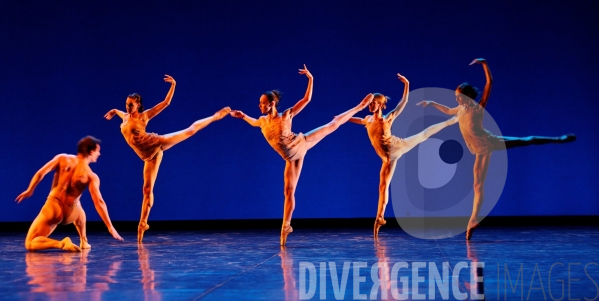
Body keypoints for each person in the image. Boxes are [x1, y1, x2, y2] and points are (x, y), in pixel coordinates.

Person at [418, 58, 576, 240]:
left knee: (481, 182)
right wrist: (431, 103)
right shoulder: (460, 109)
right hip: (481, 146)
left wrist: (484, 64)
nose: (457, 99)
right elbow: (447, 111)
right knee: (481, 180)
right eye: (456, 97)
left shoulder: (478, 107)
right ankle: (473, 220)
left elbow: (489, 83)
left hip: (486, 145)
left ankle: (557, 139)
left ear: (467, 96)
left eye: (459, 97)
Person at [230, 64, 373, 245]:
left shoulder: (286, 115)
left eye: (262, 103)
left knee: (333, 124)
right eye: (259, 103)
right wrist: (242, 116)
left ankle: (359, 106)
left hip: (302, 143)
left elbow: (306, 100)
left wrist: (310, 79)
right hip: (291, 158)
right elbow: (253, 123)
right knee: (288, 191)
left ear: (272, 104)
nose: (259, 105)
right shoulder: (262, 121)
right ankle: (286, 226)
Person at [104, 75, 230, 242]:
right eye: (126, 104)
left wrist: (174, 85)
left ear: (138, 105)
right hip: (147, 157)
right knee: (146, 190)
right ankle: (144, 223)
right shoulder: (125, 116)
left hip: (156, 145)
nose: (127, 107)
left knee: (190, 131)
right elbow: (119, 113)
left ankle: (215, 116)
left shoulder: (144, 116)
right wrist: (113, 111)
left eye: (131, 105)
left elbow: (165, 103)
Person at [349, 73, 458, 237]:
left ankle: (451, 121)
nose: (371, 106)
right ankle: (380, 218)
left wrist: (407, 84)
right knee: (383, 187)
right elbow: (355, 119)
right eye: (370, 104)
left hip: (397, 146)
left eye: (374, 103)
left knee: (424, 134)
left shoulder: (387, 119)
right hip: (387, 158)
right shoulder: (367, 120)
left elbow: (403, 103)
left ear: (380, 105)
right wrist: (342, 118)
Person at [16, 136, 124, 251]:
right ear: (91, 152)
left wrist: (30, 189)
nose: (99, 154)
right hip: (71, 212)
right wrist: (110, 227)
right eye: (98, 151)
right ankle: (84, 241)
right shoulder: (91, 176)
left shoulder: (62, 159)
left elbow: (41, 173)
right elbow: (99, 202)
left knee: (31, 242)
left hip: (53, 208)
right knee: (78, 204)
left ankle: (61, 244)